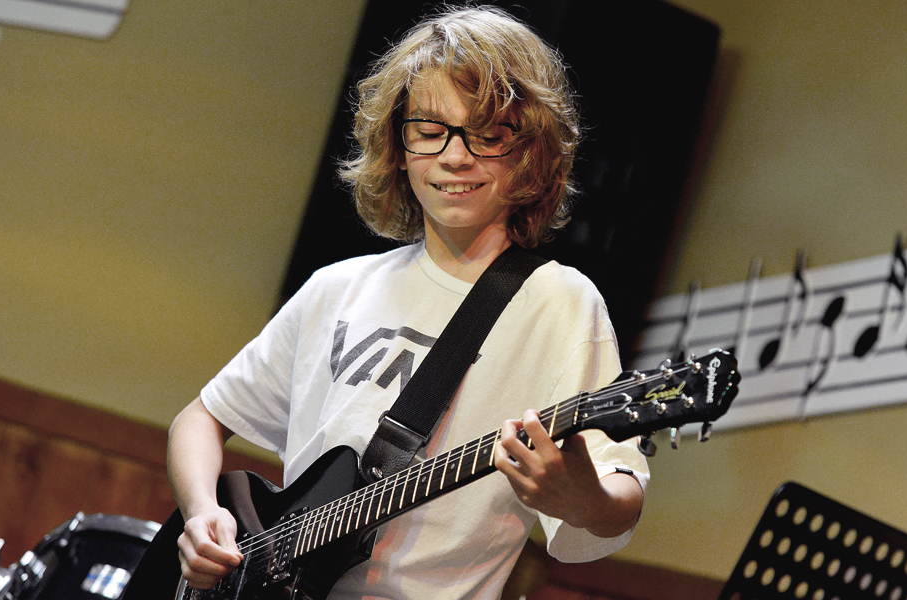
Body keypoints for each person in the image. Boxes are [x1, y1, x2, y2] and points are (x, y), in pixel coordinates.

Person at [166, 6, 649, 599]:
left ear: (529, 151)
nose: (455, 156)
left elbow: (619, 497)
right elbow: (201, 418)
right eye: (430, 130)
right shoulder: (338, 287)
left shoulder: (558, 304)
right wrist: (200, 513)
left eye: (487, 134)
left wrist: (582, 497)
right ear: (398, 145)